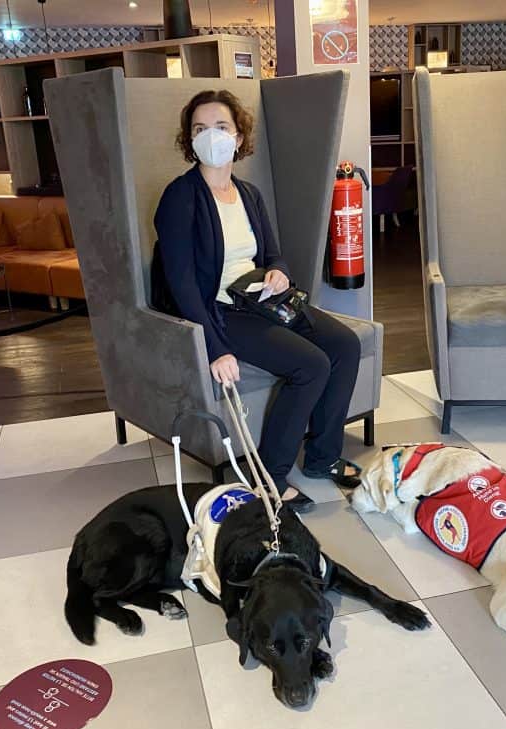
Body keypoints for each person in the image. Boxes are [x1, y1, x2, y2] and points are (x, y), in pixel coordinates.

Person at [154, 89, 362, 505]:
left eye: (220, 126)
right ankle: (270, 475)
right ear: (189, 140)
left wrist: (279, 273)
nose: (210, 135)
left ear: (238, 135)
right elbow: (181, 282)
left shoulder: (248, 194)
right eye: (199, 128)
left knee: (345, 344)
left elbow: (272, 253)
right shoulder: (181, 196)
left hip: (261, 299)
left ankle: (322, 457)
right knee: (311, 365)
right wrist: (214, 347)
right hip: (222, 311)